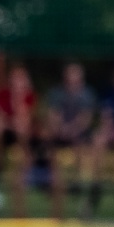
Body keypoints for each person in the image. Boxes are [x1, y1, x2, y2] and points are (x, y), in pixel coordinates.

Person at [44, 63, 97, 217]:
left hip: (80, 137)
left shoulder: (86, 94)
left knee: (82, 146)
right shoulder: (57, 94)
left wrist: (72, 130)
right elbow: (53, 115)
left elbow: (85, 119)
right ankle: (51, 191)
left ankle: (78, 183)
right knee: (51, 151)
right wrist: (62, 129)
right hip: (59, 136)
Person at [0, 65, 37, 216]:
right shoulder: (3, 95)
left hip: (27, 140)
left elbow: (25, 121)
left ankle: (26, 156)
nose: (17, 82)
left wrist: (18, 101)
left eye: (21, 79)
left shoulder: (30, 97)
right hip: (7, 137)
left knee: (20, 128)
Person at [87, 67, 114, 211]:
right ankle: (97, 182)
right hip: (111, 131)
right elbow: (107, 116)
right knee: (98, 139)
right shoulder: (110, 95)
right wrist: (110, 130)